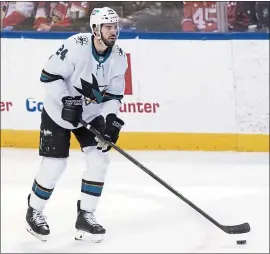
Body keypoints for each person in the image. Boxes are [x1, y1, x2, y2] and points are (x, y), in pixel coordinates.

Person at [25, 6, 127, 243]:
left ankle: (86, 215)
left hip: (89, 115)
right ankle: (34, 210)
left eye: (115, 27)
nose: (114, 32)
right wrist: (66, 101)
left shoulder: (119, 57)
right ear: (95, 28)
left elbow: (113, 96)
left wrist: (111, 120)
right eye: (108, 27)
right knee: (55, 165)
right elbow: (47, 77)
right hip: (57, 113)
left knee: (100, 159)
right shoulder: (76, 45)